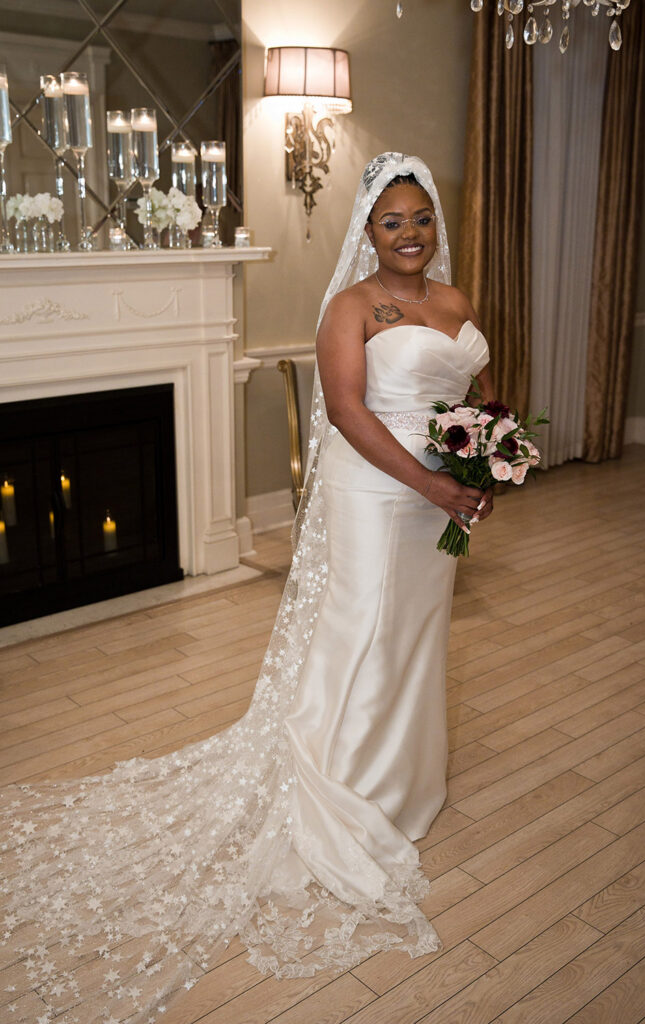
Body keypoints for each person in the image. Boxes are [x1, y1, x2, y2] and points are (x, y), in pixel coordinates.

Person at [0, 153, 493, 1023]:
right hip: (381, 493)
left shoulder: (454, 301)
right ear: (367, 232)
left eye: (420, 218)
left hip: (437, 498)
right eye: (391, 221)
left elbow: (473, 394)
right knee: (365, 629)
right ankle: (347, 785)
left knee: (418, 633)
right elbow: (347, 411)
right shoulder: (347, 307)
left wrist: (485, 458)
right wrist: (431, 485)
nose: (410, 233)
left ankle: (408, 781)